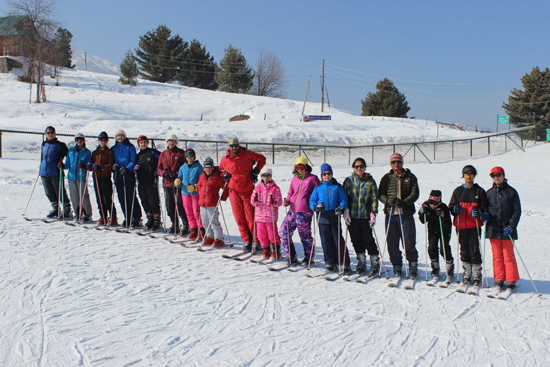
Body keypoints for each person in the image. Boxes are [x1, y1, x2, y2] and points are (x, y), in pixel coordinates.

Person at [219, 137, 266, 252]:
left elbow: (262, 159)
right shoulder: (225, 159)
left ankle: (256, 240)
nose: (234, 148)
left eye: (236, 145)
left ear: (239, 146)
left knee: (250, 217)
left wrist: (256, 170)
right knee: (239, 217)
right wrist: (225, 174)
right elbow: (221, 169)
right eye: (232, 146)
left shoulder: (247, 154)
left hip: (247, 190)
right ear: (229, 147)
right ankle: (246, 240)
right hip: (233, 191)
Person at [378, 153, 420, 278]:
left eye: (398, 162)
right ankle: (396, 265)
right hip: (391, 214)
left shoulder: (410, 177)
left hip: (405, 213)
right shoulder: (386, 178)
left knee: (408, 240)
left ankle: (412, 263)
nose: (396, 164)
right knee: (392, 242)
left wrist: (404, 202)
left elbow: (415, 193)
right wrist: (387, 200)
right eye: (393, 162)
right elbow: (380, 194)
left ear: (402, 163)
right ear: (390, 164)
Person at [448, 164, 488, 287]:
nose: (468, 177)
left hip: (474, 225)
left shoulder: (479, 191)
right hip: (461, 225)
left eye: (471, 174)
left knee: (475, 249)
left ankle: (476, 274)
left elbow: (485, 207)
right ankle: (467, 273)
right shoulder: (458, 191)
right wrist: (455, 209)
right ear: (463, 176)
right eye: (466, 174)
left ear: (474, 176)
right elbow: (451, 207)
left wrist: (480, 211)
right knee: (464, 249)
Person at [484, 166, 521, 291]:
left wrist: (511, 225)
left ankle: (511, 280)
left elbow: (517, 211)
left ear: (503, 176)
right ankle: (499, 279)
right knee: (497, 256)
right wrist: (485, 215)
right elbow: (485, 208)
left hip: (507, 229)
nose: (496, 178)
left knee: (508, 255)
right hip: (493, 229)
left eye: (498, 175)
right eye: (493, 176)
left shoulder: (511, 192)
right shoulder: (489, 193)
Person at [309, 163, 350, 273]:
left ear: (332, 174)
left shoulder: (337, 186)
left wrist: (342, 207)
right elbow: (312, 200)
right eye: (324, 174)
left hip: (334, 214)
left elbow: (343, 198)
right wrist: (315, 207)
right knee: (325, 240)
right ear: (321, 176)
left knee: (337, 240)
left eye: (328, 174)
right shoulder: (318, 187)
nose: (326, 176)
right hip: (322, 215)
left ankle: (344, 262)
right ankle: (330, 262)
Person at [343, 157, 380, 276]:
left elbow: (374, 197)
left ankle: (375, 263)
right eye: (357, 167)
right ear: (353, 168)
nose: (359, 169)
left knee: (368, 240)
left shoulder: (370, 181)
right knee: (356, 240)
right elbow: (344, 197)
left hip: (365, 216)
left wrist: (373, 212)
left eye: (361, 166)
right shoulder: (349, 181)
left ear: (365, 168)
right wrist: (345, 210)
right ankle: (361, 262)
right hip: (352, 216)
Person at [280, 157, 320, 264]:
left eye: (303, 167)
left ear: (307, 167)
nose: (300, 169)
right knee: (284, 232)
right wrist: (287, 200)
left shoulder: (312, 179)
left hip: (305, 212)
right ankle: (291, 256)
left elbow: (318, 193)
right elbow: (290, 192)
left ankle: (309, 257)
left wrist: (316, 204)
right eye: (298, 167)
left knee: (305, 236)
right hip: (292, 210)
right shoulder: (295, 178)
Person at [418, 190, 454, 280]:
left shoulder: (444, 207)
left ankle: (450, 269)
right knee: (432, 248)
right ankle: (435, 268)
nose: (433, 206)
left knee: (444, 249)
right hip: (432, 230)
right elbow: (423, 221)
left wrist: (442, 216)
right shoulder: (426, 205)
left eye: (435, 204)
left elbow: (448, 223)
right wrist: (422, 213)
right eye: (432, 204)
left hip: (444, 230)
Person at [157, 133, 189, 234]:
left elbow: (185, 166)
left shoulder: (180, 153)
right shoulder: (163, 154)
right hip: (167, 183)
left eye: (173, 141)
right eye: (169, 141)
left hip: (177, 183)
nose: (171, 143)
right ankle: (174, 224)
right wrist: (163, 173)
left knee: (180, 204)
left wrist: (176, 174)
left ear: (176, 142)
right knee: (169, 205)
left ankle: (186, 224)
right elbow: (159, 167)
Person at [39, 126, 72, 218]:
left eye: (52, 132)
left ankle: (67, 210)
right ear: (45, 134)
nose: (50, 134)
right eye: (48, 133)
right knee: (49, 192)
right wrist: (40, 166)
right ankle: (55, 209)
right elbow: (42, 157)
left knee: (60, 191)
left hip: (55, 172)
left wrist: (63, 163)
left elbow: (69, 156)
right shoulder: (44, 144)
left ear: (55, 134)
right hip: (44, 172)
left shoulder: (60, 145)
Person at [112, 129, 142, 228]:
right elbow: (112, 160)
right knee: (121, 196)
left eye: (121, 136)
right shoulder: (113, 148)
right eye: (117, 136)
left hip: (128, 173)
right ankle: (127, 216)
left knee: (130, 195)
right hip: (118, 174)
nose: (119, 138)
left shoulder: (130, 147)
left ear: (124, 136)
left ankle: (136, 217)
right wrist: (114, 166)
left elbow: (133, 159)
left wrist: (128, 168)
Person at [251, 167, 283, 260]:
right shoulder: (258, 188)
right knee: (261, 235)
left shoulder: (275, 188)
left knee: (272, 234)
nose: (266, 177)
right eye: (264, 175)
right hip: (260, 216)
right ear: (261, 177)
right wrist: (255, 200)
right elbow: (252, 202)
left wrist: (274, 202)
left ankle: (276, 250)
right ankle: (266, 249)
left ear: (271, 176)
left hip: (270, 216)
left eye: (268, 175)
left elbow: (279, 202)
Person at [197, 156, 226, 247]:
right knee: (205, 221)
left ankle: (219, 238)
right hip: (202, 203)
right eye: (206, 168)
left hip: (212, 203)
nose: (207, 170)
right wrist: (201, 195)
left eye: (209, 168)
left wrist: (223, 197)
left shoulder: (216, 177)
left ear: (212, 168)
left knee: (213, 221)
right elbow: (199, 187)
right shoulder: (202, 176)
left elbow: (226, 187)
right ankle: (210, 236)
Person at [175, 148, 204, 240]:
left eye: (191, 156)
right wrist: (178, 180)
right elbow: (180, 176)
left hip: (195, 193)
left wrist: (195, 186)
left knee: (196, 211)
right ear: (185, 157)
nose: (190, 157)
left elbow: (202, 180)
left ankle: (201, 229)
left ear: (194, 156)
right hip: (185, 192)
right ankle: (193, 229)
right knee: (188, 211)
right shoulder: (182, 167)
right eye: (188, 156)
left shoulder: (198, 167)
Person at [134, 135, 162, 231]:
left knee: (153, 200)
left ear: (148, 143)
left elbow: (161, 160)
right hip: (141, 181)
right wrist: (136, 167)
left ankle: (156, 220)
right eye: (141, 143)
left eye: (145, 142)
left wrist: (157, 170)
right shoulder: (138, 155)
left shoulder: (153, 152)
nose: (143, 144)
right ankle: (149, 218)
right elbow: (135, 163)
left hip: (151, 180)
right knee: (144, 199)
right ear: (139, 144)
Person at [89, 131, 116, 225]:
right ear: (98, 141)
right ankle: (103, 216)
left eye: (104, 140)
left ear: (107, 141)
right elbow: (91, 163)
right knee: (99, 197)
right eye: (101, 140)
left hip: (105, 177)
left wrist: (102, 167)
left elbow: (110, 164)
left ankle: (112, 216)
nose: (102, 142)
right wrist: (89, 166)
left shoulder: (109, 152)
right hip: (96, 177)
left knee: (106, 198)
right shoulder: (95, 152)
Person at [64, 133, 92, 222]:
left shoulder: (87, 152)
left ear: (83, 140)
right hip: (72, 176)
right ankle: (77, 213)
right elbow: (68, 163)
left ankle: (87, 213)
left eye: (81, 139)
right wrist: (62, 166)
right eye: (77, 140)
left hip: (81, 176)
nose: (79, 141)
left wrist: (85, 166)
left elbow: (89, 163)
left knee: (83, 195)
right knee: (74, 196)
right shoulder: (71, 151)